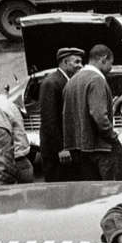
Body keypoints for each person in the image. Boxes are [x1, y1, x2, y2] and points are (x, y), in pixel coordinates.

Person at [60, 44, 122, 180]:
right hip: (101, 149)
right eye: (111, 63)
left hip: (79, 150)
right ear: (103, 59)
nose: (111, 68)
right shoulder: (96, 80)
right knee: (113, 192)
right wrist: (113, 136)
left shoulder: (71, 81)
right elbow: (99, 115)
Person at [38, 47, 85, 181]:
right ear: (65, 62)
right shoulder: (51, 83)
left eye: (81, 62)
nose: (80, 66)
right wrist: (61, 149)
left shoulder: (66, 81)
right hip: (57, 152)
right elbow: (49, 120)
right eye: (76, 62)